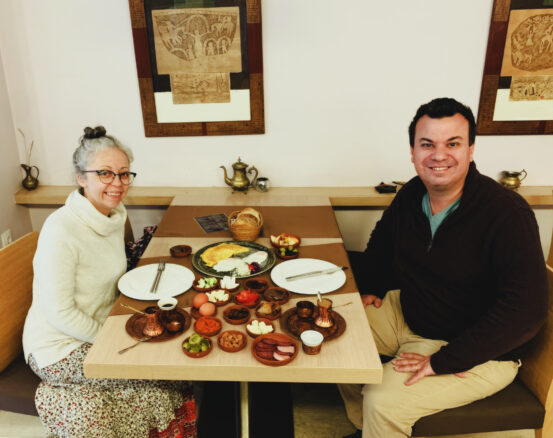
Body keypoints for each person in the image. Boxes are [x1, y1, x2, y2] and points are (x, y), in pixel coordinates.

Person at [339, 98, 548, 437]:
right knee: (337, 330)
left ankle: (380, 420)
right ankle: (370, 430)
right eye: (427, 144)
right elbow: (381, 245)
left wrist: (450, 360)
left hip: (479, 349)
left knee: (382, 399)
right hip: (413, 315)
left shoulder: (507, 214)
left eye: (452, 143)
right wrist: (372, 288)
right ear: (413, 151)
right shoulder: (411, 194)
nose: (439, 155)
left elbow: (527, 310)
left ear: (470, 149)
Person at [22, 126, 197, 437]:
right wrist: (112, 341)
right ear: (81, 178)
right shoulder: (60, 230)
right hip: (58, 346)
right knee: (158, 377)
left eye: (124, 174)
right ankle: (57, 398)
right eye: (105, 173)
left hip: (104, 323)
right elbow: (60, 314)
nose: (117, 184)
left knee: (173, 361)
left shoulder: (112, 214)